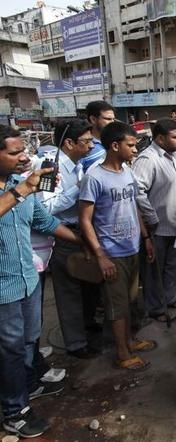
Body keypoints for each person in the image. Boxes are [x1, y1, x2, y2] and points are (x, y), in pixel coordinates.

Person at [0, 125, 82, 439]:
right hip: (3, 288)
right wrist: (24, 189)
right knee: (9, 349)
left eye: (24, 151)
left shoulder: (20, 185)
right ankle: (14, 412)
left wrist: (83, 241)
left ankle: (30, 385)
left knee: (29, 338)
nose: (23, 158)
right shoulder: (20, 188)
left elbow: (44, 222)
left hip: (28, 279)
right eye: (14, 152)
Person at [78, 121, 157, 372]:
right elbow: (84, 220)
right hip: (112, 253)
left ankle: (131, 341)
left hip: (132, 247)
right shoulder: (94, 177)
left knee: (131, 301)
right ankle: (122, 353)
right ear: (114, 146)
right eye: (130, 145)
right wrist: (100, 256)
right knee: (117, 306)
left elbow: (134, 206)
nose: (135, 150)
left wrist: (145, 238)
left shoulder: (127, 172)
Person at [45, 120, 103, 359]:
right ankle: (75, 343)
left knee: (88, 284)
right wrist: (79, 188)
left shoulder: (77, 164)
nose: (90, 147)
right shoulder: (49, 166)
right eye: (86, 142)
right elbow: (46, 207)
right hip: (63, 235)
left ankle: (87, 324)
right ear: (69, 142)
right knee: (69, 291)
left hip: (82, 231)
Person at [132, 118, 176, 322]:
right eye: (175, 137)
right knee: (154, 270)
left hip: (175, 223)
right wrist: (151, 217)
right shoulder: (148, 159)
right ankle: (155, 308)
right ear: (160, 138)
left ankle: (169, 297)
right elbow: (137, 191)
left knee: (172, 266)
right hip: (157, 226)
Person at [80, 100, 115, 172]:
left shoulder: (114, 141)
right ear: (93, 119)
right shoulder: (83, 145)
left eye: (113, 119)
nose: (112, 123)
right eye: (108, 119)